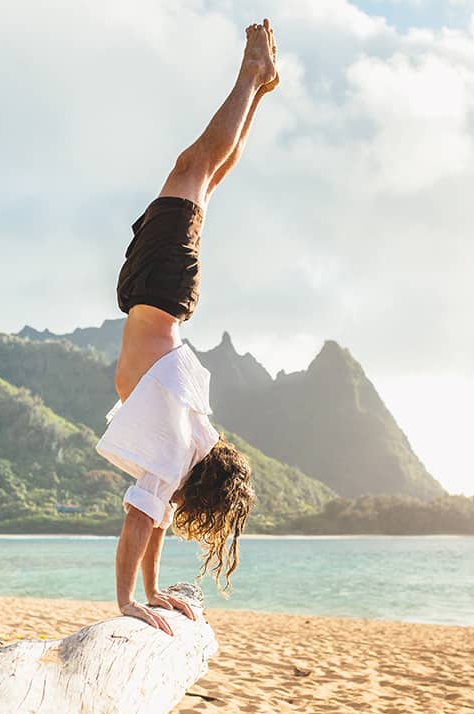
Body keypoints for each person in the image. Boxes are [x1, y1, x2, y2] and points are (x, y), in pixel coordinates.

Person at [96, 19, 279, 634]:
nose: (177, 510)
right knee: (197, 166)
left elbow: (149, 521)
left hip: (157, 292)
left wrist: (145, 595)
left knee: (206, 173)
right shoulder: (179, 449)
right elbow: (139, 520)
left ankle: (257, 81)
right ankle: (253, 77)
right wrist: (130, 601)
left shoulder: (180, 453)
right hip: (162, 290)